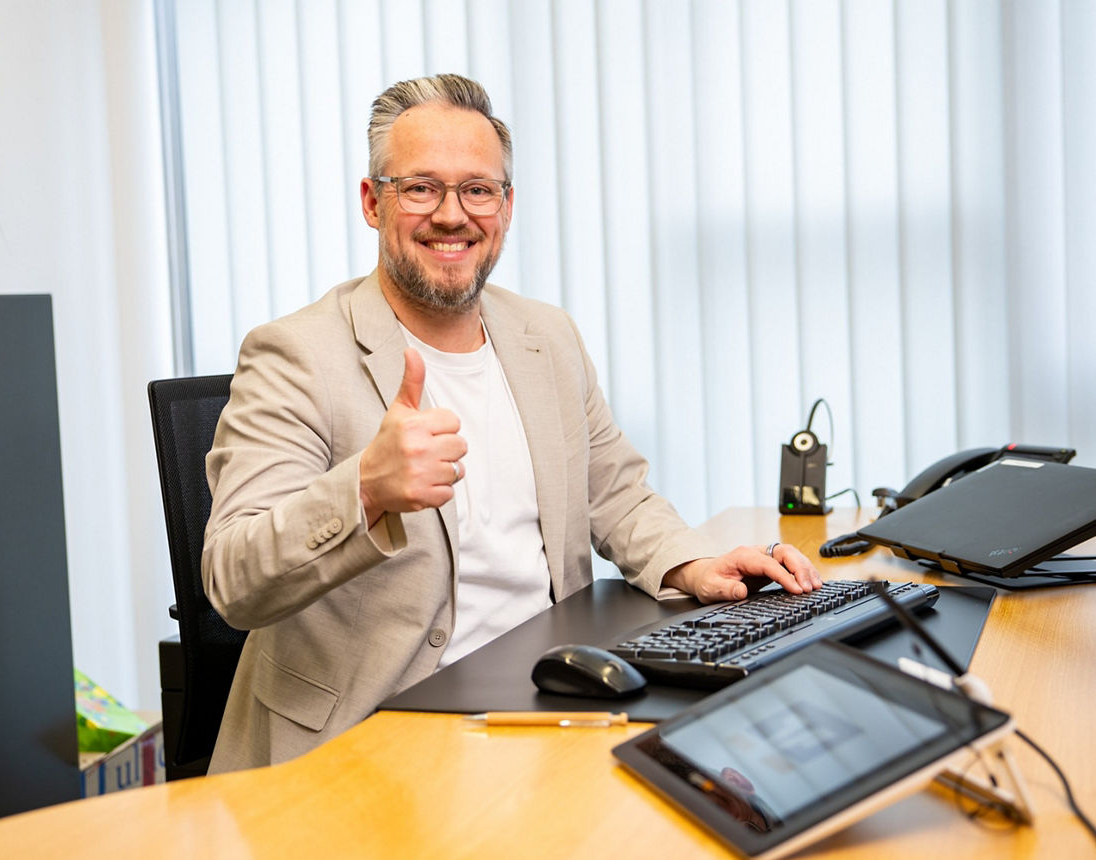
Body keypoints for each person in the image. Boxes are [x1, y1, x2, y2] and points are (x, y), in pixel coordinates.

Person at [201, 73, 820, 773]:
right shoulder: (296, 355)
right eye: (421, 188)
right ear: (373, 203)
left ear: (506, 205)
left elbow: (613, 490)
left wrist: (693, 561)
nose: (452, 214)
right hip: (369, 741)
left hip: (545, 713)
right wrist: (364, 492)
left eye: (477, 189)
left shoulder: (546, 336)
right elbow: (233, 579)